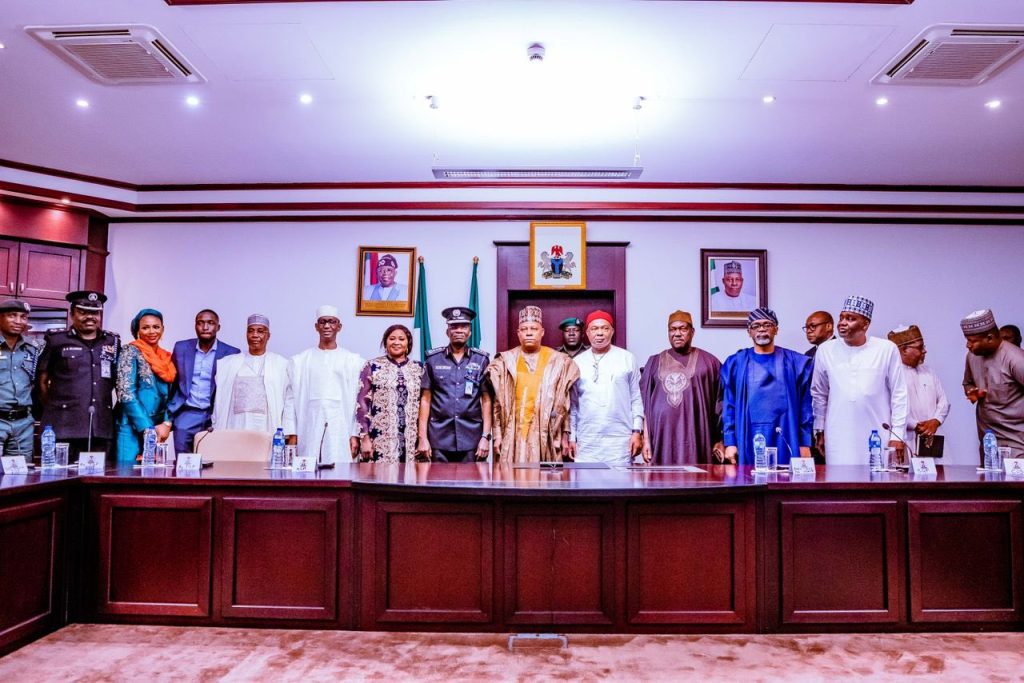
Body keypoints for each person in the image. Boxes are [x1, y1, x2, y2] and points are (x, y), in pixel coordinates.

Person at [810, 296, 908, 465]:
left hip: (878, 434)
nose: (842, 322)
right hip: (837, 435)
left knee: (877, 485)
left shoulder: (886, 349)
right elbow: (819, 394)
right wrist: (820, 430)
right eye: (841, 317)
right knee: (839, 485)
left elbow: (899, 394)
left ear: (865, 324)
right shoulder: (826, 350)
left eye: (850, 318)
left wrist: (897, 434)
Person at [486, 305, 579, 463]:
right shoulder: (504, 361)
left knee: (546, 483)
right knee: (511, 482)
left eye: (534, 328)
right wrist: (497, 435)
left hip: (547, 434)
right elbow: (496, 403)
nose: (529, 332)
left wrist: (566, 435)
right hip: (513, 434)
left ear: (542, 332)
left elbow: (567, 404)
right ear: (518, 333)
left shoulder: (560, 362)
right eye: (524, 329)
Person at [721, 307, 813, 466]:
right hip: (747, 435)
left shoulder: (794, 362)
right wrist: (730, 442)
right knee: (748, 485)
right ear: (749, 331)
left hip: (786, 434)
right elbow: (729, 406)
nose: (762, 329)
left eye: (767, 325)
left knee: (785, 486)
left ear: (776, 329)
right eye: (756, 326)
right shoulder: (736, 363)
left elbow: (806, 406)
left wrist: (805, 443)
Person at [37, 290, 120, 459]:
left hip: (100, 426)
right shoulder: (56, 340)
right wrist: (58, 407)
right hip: (63, 425)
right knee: (59, 479)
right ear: (72, 314)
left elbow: (119, 382)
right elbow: (42, 382)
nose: (90, 317)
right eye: (83, 312)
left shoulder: (112, 341)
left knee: (97, 480)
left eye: (95, 313)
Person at [639, 310, 723, 465]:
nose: (677, 333)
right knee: (662, 482)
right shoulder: (654, 362)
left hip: (697, 437)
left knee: (697, 481)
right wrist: (646, 439)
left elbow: (722, 404)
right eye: (673, 329)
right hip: (661, 438)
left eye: (683, 329)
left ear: (692, 332)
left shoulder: (710, 363)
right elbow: (643, 405)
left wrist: (721, 440)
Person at [284, 305, 365, 464]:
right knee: (307, 474)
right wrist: (292, 432)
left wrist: (354, 434)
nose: (327, 326)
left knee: (340, 472)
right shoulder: (300, 361)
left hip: (341, 427)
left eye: (331, 322)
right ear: (316, 326)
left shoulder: (353, 361)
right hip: (308, 425)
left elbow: (359, 401)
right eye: (322, 322)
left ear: (339, 326)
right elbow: (290, 399)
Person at [568, 310, 644, 466]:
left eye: (605, 328)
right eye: (594, 329)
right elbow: (573, 405)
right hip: (587, 440)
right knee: (586, 487)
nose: (600, 333)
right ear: (587, 333)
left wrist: (637, 431)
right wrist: (572, 437)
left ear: (612, 331)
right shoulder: (577, 362)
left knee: (620, 488)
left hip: (619, 440)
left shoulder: (627, 358)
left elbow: (637, 398)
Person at [418, 307, 492, 463]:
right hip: (438, 437)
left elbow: (486, 400)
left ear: (470, 332)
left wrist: (485, 436)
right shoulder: (433, 359)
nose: (459, 330)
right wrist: (422, 437)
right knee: (437, 485)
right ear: (447, 332)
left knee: (471, 485)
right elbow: (425, 399)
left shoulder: (481, 360)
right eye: (454, 326)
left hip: (471, 437)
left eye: (464, 326)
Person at [167, 309, 240, 454]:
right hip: (187, 413)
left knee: (212, 461)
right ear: (195, 326)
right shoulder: (181, 348)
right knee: (183, 462)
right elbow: (172, 382)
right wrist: (168, 416)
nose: (205, 327)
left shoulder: (232, 353)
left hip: (215, 415)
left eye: (210, 323)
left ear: (218, 327)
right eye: (200, 323)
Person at [961, 309, 1024, 460]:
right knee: (988, 483)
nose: (967, 345)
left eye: (972, 341)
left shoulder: (1016, 359)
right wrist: (972, 392)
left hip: (1017, 444)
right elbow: (967, 383)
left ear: (989, 338)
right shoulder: (972, 356)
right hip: (988, 443)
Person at [210, 314, 290, 434]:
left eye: (260, 331)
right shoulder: (229, 363)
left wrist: (288, 431)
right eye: (250, 331)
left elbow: (289, 401)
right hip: (236, 426)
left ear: (268, 336)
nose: (255, 335)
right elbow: (219, 400)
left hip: (266, 427)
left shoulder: (280, 364)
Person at [116, 309, 176, 465]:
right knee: (127, 475)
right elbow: (125, 393)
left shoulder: (166, 357)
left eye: (156, 327)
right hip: (131, 427)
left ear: (163, 329)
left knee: (151, 477)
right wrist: (147, 429)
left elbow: (170, 395)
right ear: (137, 330)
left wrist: (166, 423)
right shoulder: (129, 351)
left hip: (157, 428)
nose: (152, 331)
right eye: (146, 327)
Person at [356, 325, 423, 463]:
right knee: (380, 481)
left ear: (408, 343)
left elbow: (426, 403)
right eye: (392, 338)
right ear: (385, 342)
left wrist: (424, 438)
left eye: (401, 339)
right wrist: (365, 438)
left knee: (410, 481)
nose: (396, 342)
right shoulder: (372, 366)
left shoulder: (419, 368)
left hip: (412, 441)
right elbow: (362, 404)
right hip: (380, 440)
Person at [887, 324, 950, 450]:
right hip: (907, 438)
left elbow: (944, 401)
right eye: (920, 347)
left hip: (933, 435)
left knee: (938, 469)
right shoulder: (891, 374)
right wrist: (916, 425)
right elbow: (891, 407)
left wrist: (936, 421)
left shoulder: (929, 371)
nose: (924, 351)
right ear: (904, 350)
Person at [0, 300, 39, 459]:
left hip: (23, 424)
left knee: (20, 476)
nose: (18, 321)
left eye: (23, 317)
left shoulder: (33, 348)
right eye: (12, 316)